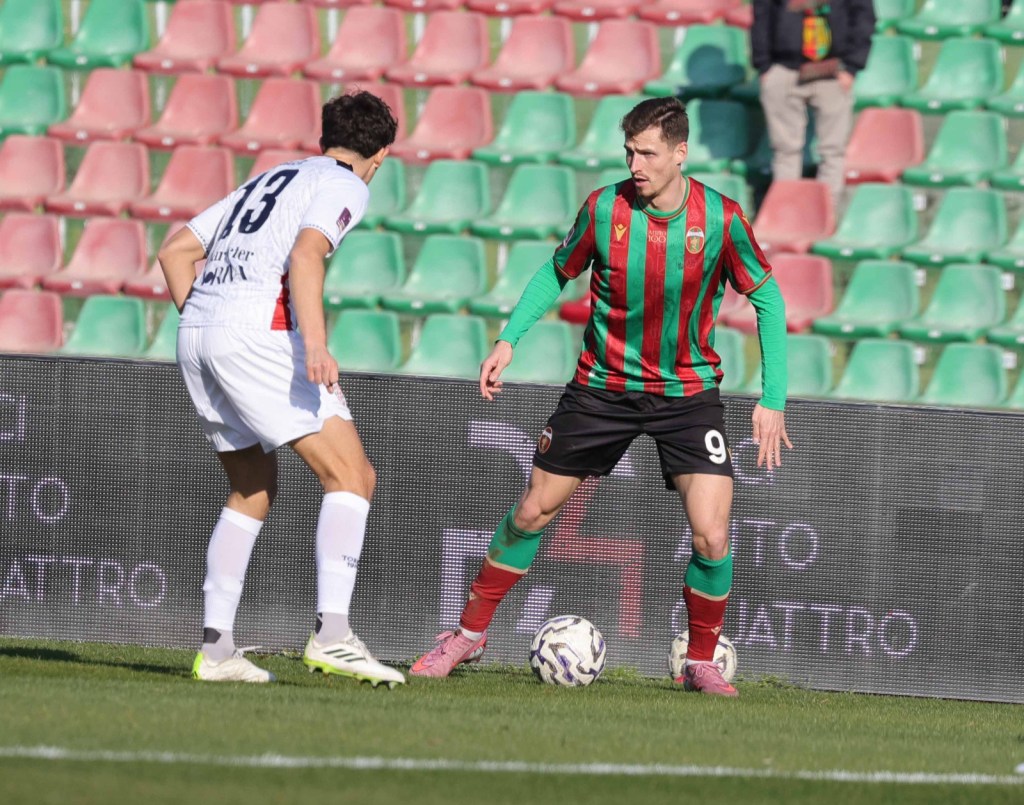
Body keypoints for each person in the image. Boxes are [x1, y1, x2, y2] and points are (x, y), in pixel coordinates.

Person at [410, 97, 792, 696]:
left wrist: (774, 397)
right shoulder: (603, 209)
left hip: (687, 395)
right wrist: (509, 340)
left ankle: (700, 662)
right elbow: (555, 272)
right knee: (534, 510)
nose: (635, 164)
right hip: (601, 390)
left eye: (647, 153)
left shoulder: (720, 219)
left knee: (713, 535)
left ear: (680, 154)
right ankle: (468, 634)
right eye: (629, 152)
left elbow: (768, 299)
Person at [158, 91, 404, 688]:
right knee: (353, 476)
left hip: (196, 332)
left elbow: (174, 252)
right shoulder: (348, 184)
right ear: (381, 154)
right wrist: (315, 344)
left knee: (252, 487)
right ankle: (334, 635)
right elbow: (306, 254)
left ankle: (216, 650)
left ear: (326, 137)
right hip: (259, 335)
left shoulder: (271, 178)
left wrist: (210, 322)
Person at [752, 0, 875, 207]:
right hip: (784, 69)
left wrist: (852, 66)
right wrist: (764, 66)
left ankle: (826, 214)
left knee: (832, 151)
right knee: (785, 150)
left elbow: (863, 16)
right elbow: (762, 13)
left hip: (833, 70)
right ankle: (786, 213)